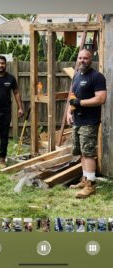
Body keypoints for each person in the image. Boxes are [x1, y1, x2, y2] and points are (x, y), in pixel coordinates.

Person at [67, 49, 107, 198]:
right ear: (77, 59)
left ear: (91, 60)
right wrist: (68, 112)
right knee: (81, 152)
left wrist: (80, 102)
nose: (82, 60)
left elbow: (101, 99)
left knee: (88, 152)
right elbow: (71, 96)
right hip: (77, 120)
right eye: (80, 58)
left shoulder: (97, 77)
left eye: (85, 58)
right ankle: (85, 179)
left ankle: (90, 185)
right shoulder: (76, 75)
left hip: (89, 121)